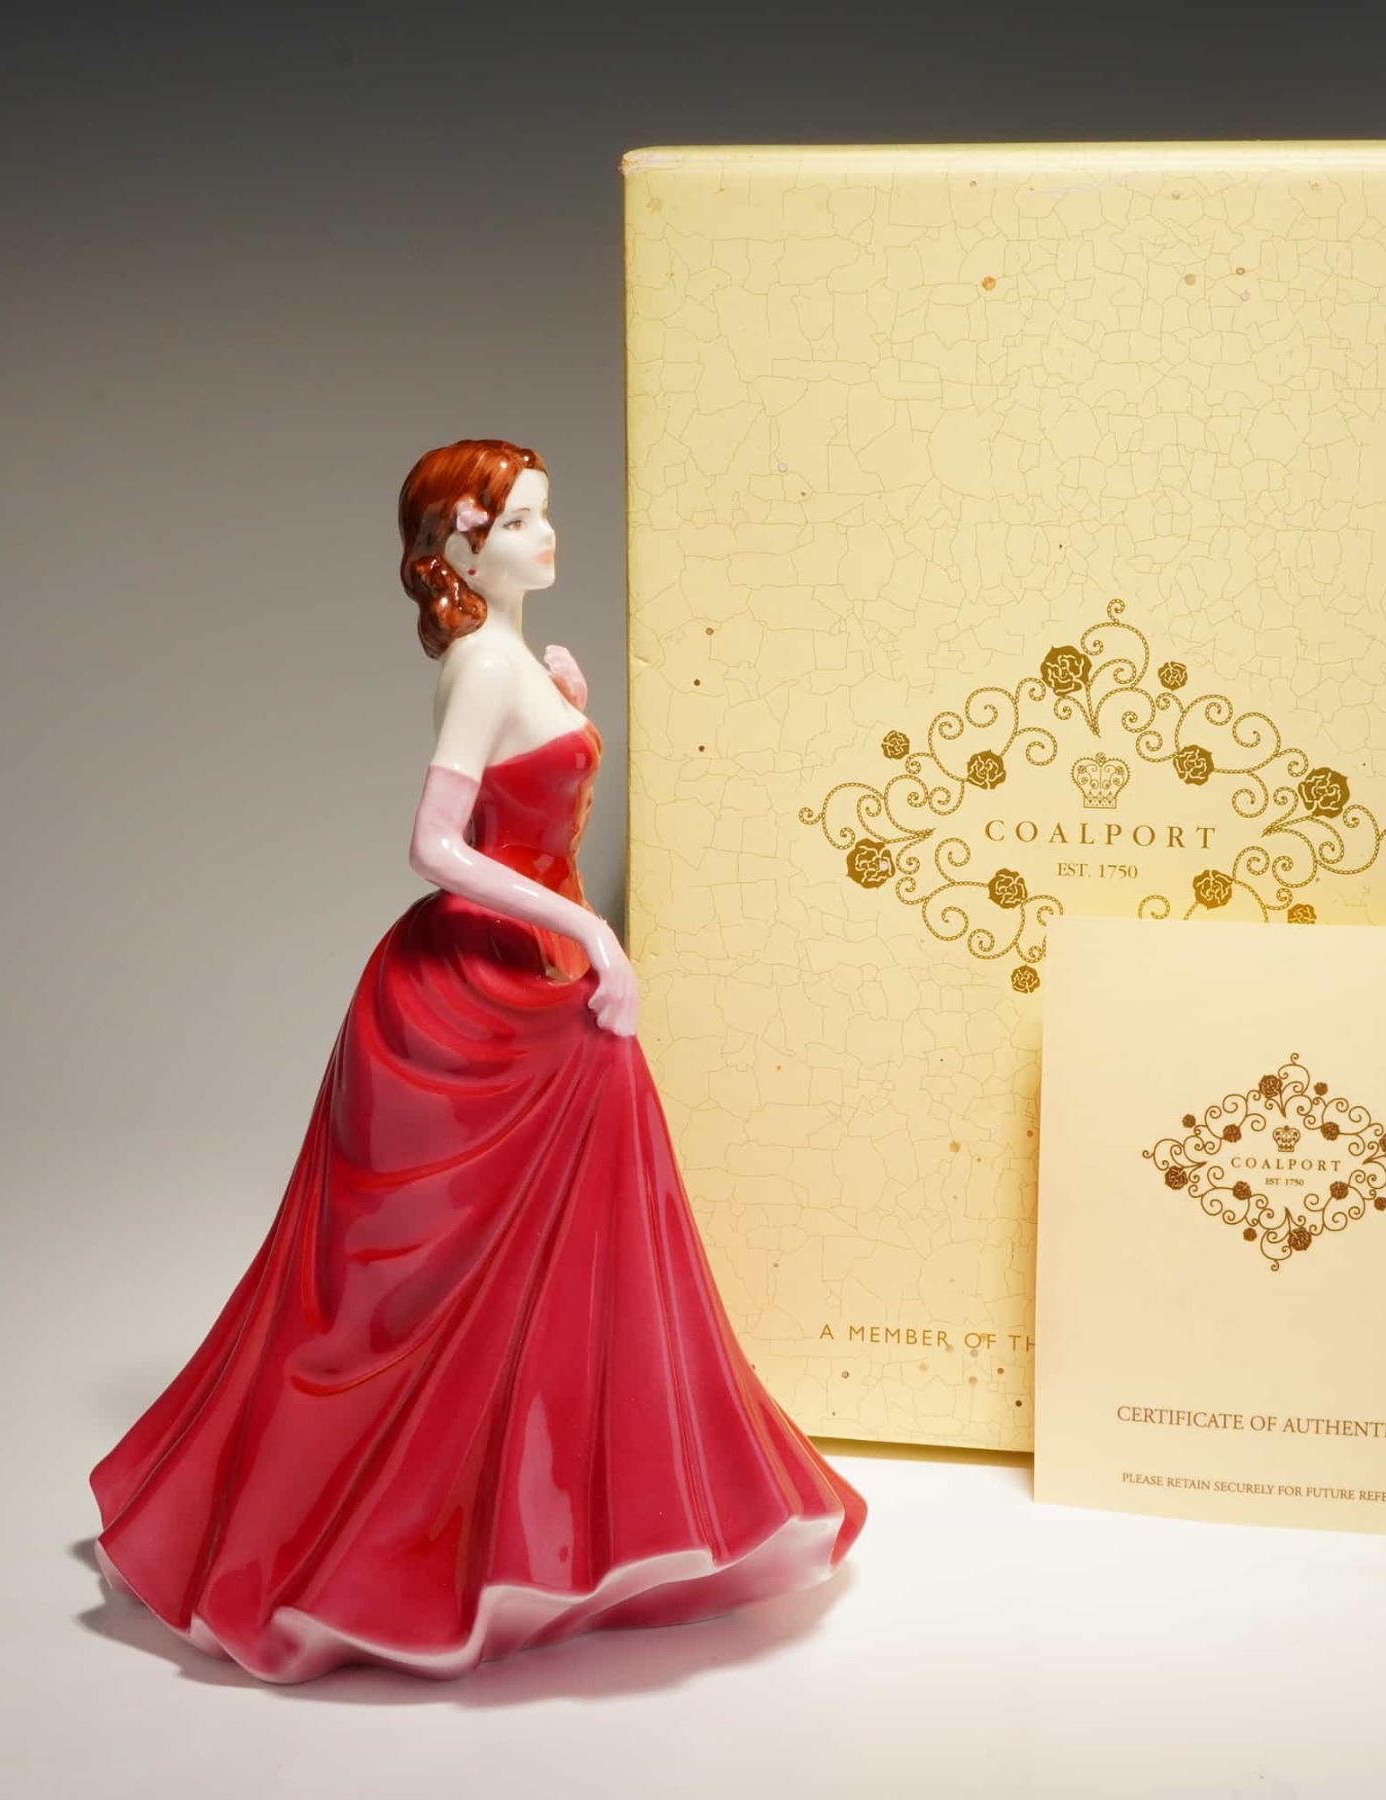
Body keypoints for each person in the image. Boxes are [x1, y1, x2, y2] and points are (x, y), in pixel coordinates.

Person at [88, 438, 868, 1683]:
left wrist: (570, 715)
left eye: (545, 515)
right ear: (462, 542)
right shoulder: (487, 665)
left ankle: (536, 1529)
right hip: (474, 999)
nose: (547, 536)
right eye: (521, 522)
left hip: (529, 983)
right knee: (424, 1296)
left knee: (558, 1267)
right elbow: (436, 843)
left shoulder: (507, 661)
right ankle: (411, 1548)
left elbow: (525, 807)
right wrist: (591, 931)